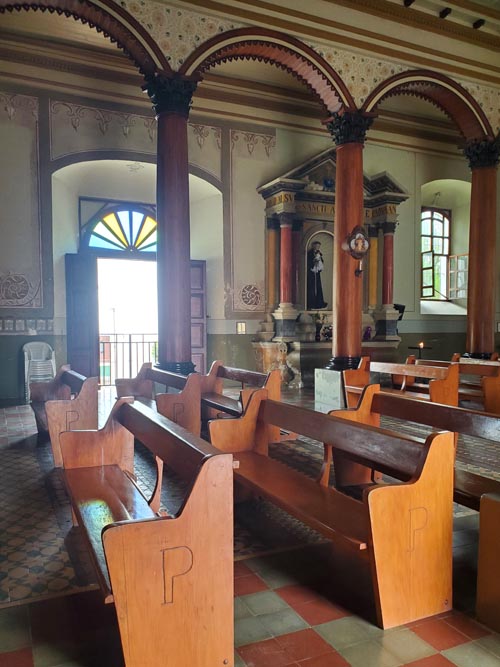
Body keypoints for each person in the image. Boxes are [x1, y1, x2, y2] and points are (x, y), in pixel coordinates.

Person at [307, 240, 327, 309]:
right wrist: (313, 263)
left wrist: (319, 262)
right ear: (313, 246)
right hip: (311, 274)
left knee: (318, 287)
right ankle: (311, 303)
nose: (318, 247)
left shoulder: (319, 253)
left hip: (317, 273)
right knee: (312, 288)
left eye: (319, 246)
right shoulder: (310, 253)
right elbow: (309, 262)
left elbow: (321, 262)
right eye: (316, 246)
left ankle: (319, 303)